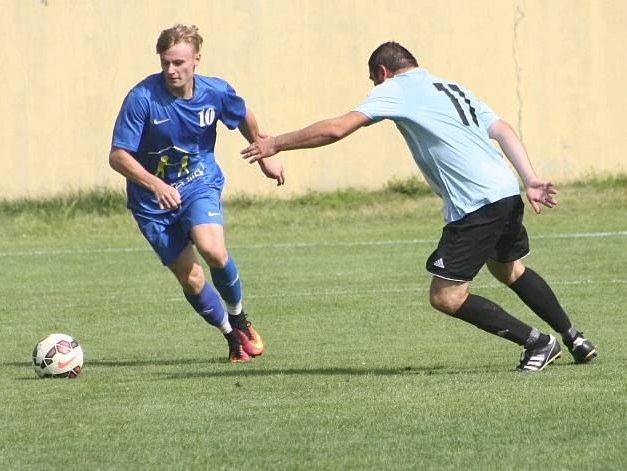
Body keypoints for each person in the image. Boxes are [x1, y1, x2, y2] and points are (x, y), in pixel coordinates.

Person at [241, 41, 597, 372]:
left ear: (382, 73)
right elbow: (502, 128)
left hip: (476, 201)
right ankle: (575, 337)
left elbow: (336, 129)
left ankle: (537, 343)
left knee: (446, 296)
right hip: (503, 190)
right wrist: (530, 178)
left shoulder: (396, 89)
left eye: (374, 82)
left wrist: (277, 143)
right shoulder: (451, 87)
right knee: (509, 270)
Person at [110, 24, 285, 362]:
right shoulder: (141, 98)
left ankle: (239, 317)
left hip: (197, 183)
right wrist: (156, 184)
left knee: (213, 251)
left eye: (178, 63)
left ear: (196, 60)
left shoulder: (215, 92)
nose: (171, 70)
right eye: (165, 63)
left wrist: (262, 152)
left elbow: (242, 113)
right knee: (191, 278)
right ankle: (230, 336)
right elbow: (118, 156)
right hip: (151, 202)